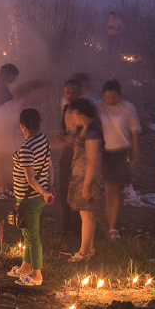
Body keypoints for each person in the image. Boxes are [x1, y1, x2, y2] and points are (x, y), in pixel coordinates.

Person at [0, 78, 41, 207]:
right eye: (40, 92)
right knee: (9, 171)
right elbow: (9, 126)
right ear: (32, 92)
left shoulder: (24, 104)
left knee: (8, 170)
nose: (42, 96)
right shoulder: (22, 105)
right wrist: (6, 146)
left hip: (1, 140)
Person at [9, 107, 54, 286]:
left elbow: (30, 179)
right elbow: (50, 166)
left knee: (33, 236)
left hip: (30, 198)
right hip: (37, 196)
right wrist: (49, 187)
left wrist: (44, 192)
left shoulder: (27, 148)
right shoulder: (43, 140)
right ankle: (25, 268)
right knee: (28, 233)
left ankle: (37, 275)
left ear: (22, 125)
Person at [98, 79, 140, 240]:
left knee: (117, 191)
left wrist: (136, 154)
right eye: (107, 97)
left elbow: (134, 133)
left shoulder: (128, 108)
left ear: (120, 94)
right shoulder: (98, 106)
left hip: (121, 152)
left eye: (114, 97)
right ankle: (109, 225)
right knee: (108, 189)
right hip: (104, 153)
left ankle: (113, 225)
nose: (110, 100)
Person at [65, 98, 104, 262]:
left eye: (73, 114)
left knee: (87, 215)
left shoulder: (93, 132)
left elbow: (93, 161)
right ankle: (90, 248)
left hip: (88, 179)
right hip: (80, 178)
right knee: (86, 215)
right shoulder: (85, 129)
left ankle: (83, 253)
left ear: (81, 113)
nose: (72, 117)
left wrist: (87, 185)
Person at [57, 78, 83, 237]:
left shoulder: (83, 110)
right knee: (64, 189)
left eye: (73, 93)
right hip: (67, 153)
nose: (70, 96)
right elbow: (66, 130)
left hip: (79, 155)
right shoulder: (66, 109)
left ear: (80, 93)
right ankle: (67, 224)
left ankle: (77, 226)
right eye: (67, 92)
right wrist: (63, 135)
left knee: (76, 191)